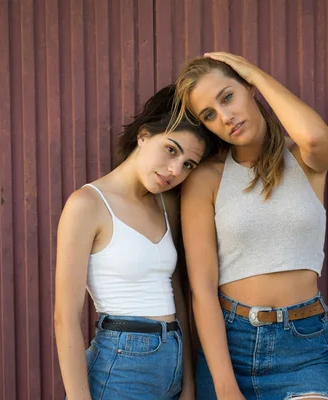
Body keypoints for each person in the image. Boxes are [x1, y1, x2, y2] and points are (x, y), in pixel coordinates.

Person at [171, 52, 328, 400]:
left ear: (250, 88)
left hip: (305, 346)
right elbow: (202, 287)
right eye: (210, 115)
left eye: (228, 97)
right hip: (231, 346)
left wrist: (256, 74)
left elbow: (316, 139)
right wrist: (225, 387)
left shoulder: (304, 161)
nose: (225, 117)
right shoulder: (206, 179)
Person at [54, 84, 212, 400]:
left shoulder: (166, 205)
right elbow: (66, 317)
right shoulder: (87, 204)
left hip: (173, 362)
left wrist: (188, 383)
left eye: (188, 165)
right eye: (171, 150)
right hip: (122, 367)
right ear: (143, 136)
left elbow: (175, 292)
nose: (174, 170)